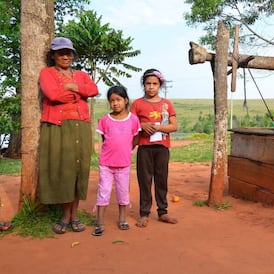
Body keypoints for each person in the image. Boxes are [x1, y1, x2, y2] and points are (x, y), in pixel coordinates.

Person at [39, 37, 99, 234]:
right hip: (58, 126)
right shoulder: (46, 73)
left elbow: (94, 90)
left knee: (79, 170)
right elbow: (53, 95)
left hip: (81, 125)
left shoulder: (81, 75)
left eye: (68, 53)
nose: (65, 56)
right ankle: (65, 215)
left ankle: (75, 214)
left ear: (73, 55)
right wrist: (80, 94)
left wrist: (75, 88)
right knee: (64, 169)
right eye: (61, 53)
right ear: (54, 55)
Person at [131, 68, 178, 228]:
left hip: (162, 148)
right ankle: (144, 213)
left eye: (155, 84)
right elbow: (130, 125)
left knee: (161, 179)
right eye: (148, 83)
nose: (151, 87)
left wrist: (158, 128)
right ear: (143, 85)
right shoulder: (137, 104)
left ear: (160, 85)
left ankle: (162, 211)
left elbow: (174, 126)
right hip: (144, 148)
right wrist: (142, 125)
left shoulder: (166, 104)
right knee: (144, 180)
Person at [92, 86, 141, 236]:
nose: (115, 103)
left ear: (125, 100)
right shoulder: (105, 120)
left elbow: (136, 138)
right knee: (104, 191)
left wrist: (127, 151)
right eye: (112, 100)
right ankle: (99, 223)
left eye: (118, 100)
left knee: (122, 192)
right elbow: (103, 140)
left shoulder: (133, 119)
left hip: (124, 164)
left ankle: (122, 219)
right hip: (106, 164)